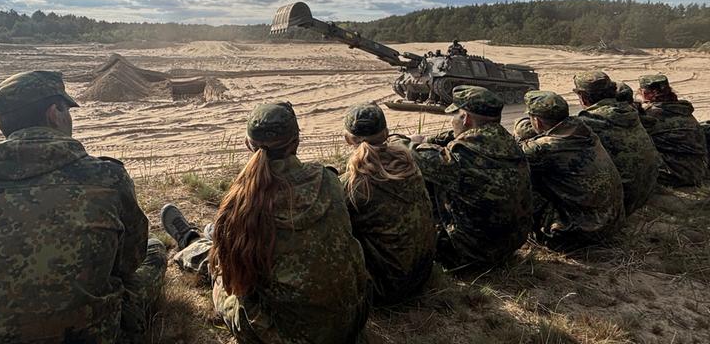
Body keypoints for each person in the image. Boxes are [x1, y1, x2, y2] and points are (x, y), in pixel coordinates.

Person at [0, 71, 166, 343]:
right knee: (154, 249)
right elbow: (129, 261)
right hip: (92, 336)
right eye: (66, 109)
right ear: (53, 113)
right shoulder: (108, 178)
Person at [161, 102, 370, 343]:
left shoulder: (240, 205)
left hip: (284, 336)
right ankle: (206, 239)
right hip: (350, 322)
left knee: (218, 274)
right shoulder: (329, 180)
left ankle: (191, 242)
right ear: (296, 142)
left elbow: (232, 278)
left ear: (248, 144)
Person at [399, 85, 532, 270]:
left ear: (466, 118)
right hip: (509, 246)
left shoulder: (460, 156)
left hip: (468, 255)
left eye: (455, 114)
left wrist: (411, 141)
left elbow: (409, 153)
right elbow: (458, 139)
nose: (453, 120)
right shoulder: (509, 143)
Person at [341, 103, 436, 304]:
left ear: (348, 139)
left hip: (385, 289)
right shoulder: (410, 164)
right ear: (386, 133)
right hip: (422, 275)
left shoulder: (354, 184)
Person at [519, 91, 624, 249]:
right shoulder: (584, 130)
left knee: (518, 183)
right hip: (612, 222)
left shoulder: (544, 148)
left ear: (537, 122)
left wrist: (520, 132)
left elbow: (514, 158)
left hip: (578, 234)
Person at [573, 71, 660, 215]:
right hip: (643, 192)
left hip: (621, 202)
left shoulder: (589, 121)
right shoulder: (629, 111)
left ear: (583, 97)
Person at [638, 74, 708, 187]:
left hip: (678, 174)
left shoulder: (651, 114)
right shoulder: (682, 109)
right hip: (699, 169)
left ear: (645, 94)